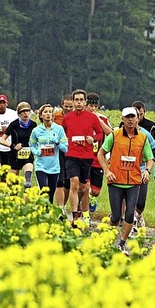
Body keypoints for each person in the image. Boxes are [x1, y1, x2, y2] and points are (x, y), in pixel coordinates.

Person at [97, 107, 154, 255]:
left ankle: (122, 243)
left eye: (132, 117)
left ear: (137, 119)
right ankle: (108, 239)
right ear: (122, 119)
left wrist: (147, 171)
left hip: (134, 182)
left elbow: (150, 158)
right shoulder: (114, 136)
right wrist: (107, 171)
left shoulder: (142, 138)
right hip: (116, 181)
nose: (130, 120)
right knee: (116, 217)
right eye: (127, 118)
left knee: (130, 214)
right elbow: (101, 154)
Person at [62, 89, 104, 224]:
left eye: (81, 100)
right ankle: (74, 215)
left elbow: (100, 133)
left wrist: (94, 139)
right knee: (73, 182)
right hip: (71, 155)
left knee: (84, 188)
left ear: (85, 102)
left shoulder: (92, 118)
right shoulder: (67, 118)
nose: (79, 102)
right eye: (76, 100)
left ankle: (80, 206)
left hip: (86, 156)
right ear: (73, 102)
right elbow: (63, 133)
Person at [81, 93, 113, 224]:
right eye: (90, 106)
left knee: (95, 191)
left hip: (98, 158)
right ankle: (85, 214)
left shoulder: (103, 118)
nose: (93, 109)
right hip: (83, 157)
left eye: (95, 106)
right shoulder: (81, 117)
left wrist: (98, 120)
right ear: (86, 105)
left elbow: (111, 134)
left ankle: (91, 198)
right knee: (85, 185)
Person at [30, 104, 69, 203]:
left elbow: (65, 148)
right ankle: (43, 212)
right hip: (40, 165)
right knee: (44, 190)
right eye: (45, 112)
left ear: (53, 115)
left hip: (54, 166)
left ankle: (48, 214)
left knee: (51, 193)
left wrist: (57, 142)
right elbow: (32, 144)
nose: (48, 114)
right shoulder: (36, 130)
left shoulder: (59, 129)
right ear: (41, 115)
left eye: (50, 112)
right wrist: (37, 152)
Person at [0, 102, 37, 186]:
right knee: (12, 184)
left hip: (28, 154)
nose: (26, 114)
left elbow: (36, 140)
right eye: (23, 112)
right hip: (14, 155)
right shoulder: (14, 124)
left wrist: (25, 145)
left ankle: (27, 185)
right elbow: (2, 140)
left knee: (27, 182)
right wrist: (12, 146)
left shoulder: (33, 125)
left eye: (27, 111)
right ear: (19, 114)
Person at [53, 94, 74, 217]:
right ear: (62, 105)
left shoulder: (76, 116)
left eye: (70, 106)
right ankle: (61, 208)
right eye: (66, 106)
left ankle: (64, 205)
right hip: (60, 151)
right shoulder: (56, 117)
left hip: (73, 150)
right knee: (60, 179)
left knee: (69, 181)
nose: (68, 109)